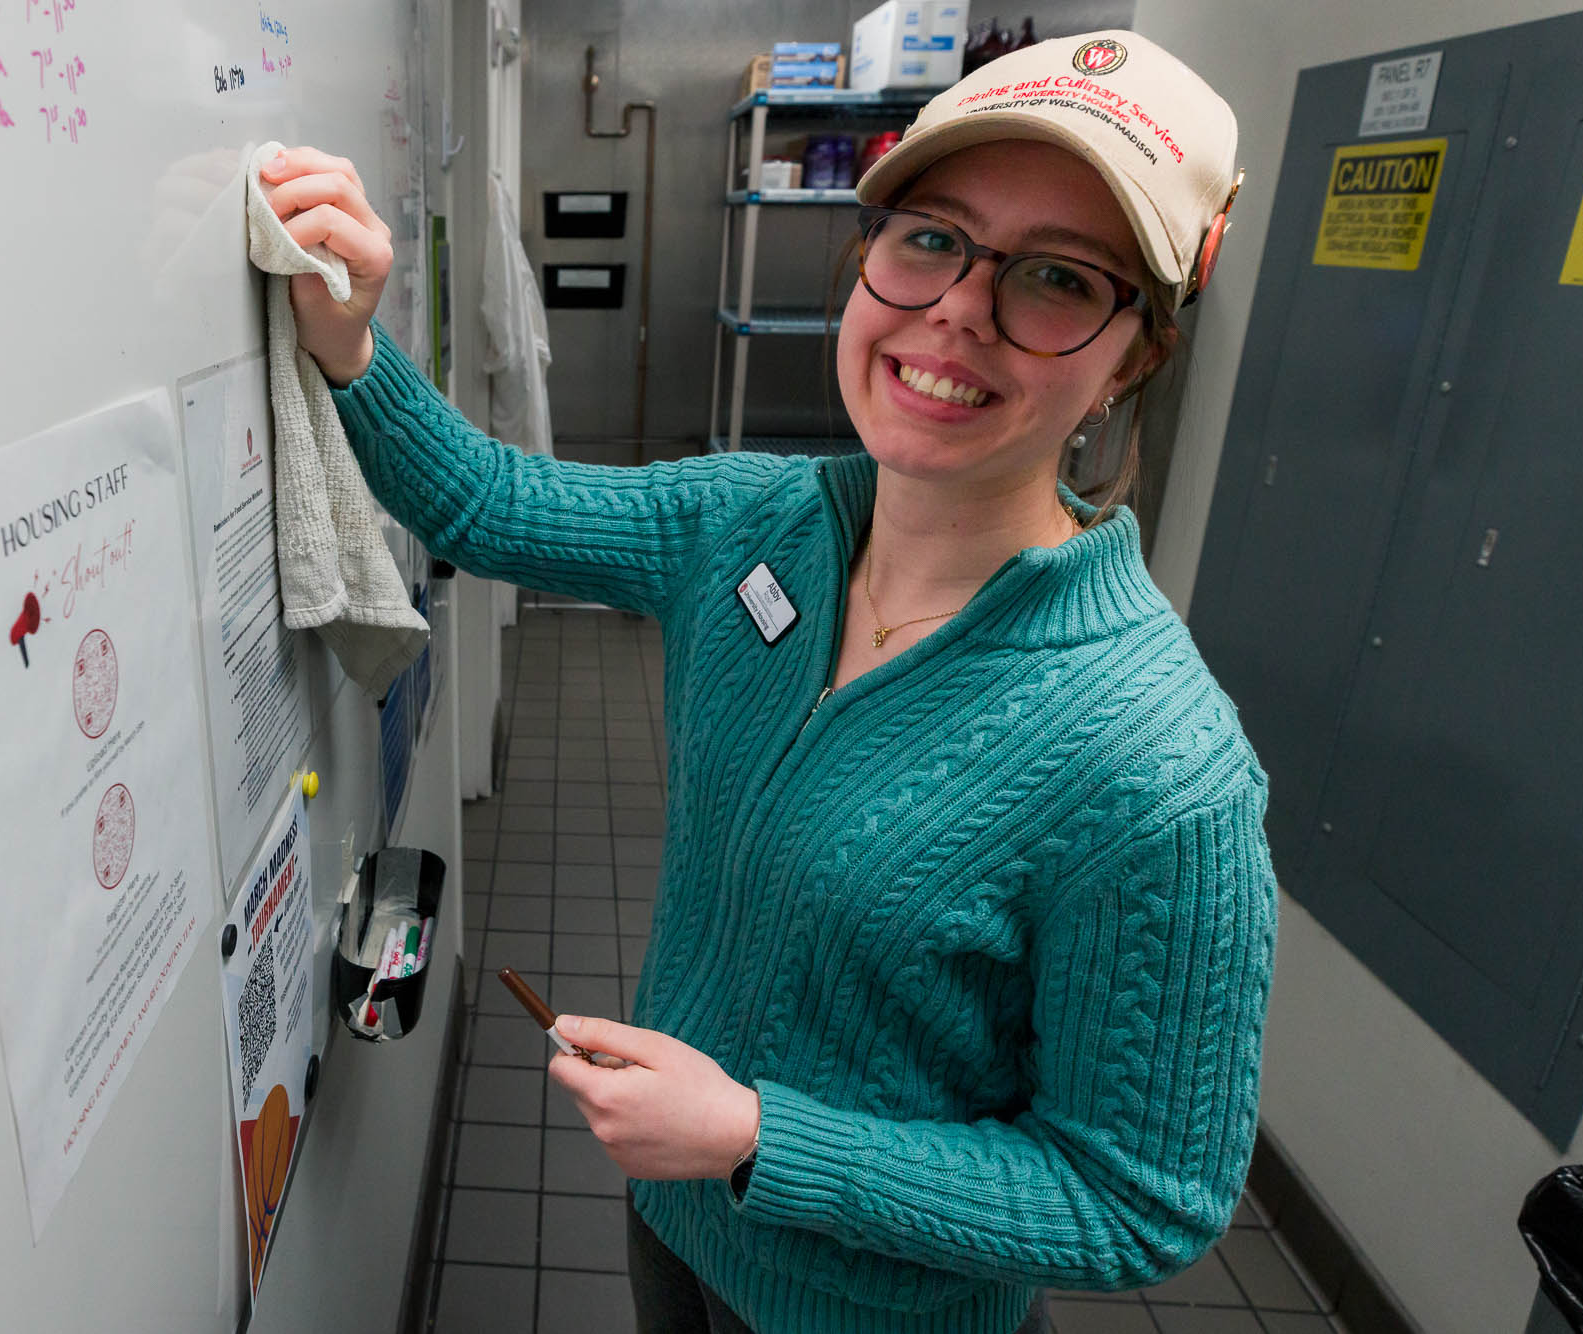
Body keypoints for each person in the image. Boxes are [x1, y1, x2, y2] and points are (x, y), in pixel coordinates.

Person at [266, 28, 1273, 1334]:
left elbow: (1138, 1201)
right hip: (674, 1228)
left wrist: (757, 1136)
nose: (959, 311)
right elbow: (489, 503)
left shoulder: (1155, 763)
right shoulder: (757, 525)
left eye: (1056, 278)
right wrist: (351, 338)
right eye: (933, 239)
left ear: (1132, 355)